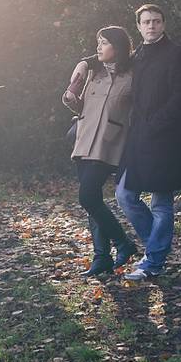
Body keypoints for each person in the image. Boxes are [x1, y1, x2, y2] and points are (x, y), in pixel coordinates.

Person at [116, 4, 181, 281]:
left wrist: (155, 124)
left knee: (161, 203)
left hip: (165, 139)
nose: (152, 26)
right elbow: (107, 57)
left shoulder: (177, 55)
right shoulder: (136, 56)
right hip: (136, 139)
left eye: (157, 21)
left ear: (163, 24)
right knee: (124, 195)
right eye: (146, 22)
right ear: (138, 26)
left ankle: (154, 260)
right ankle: (155, 248)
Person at [62, 26, 138, 276]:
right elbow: (84, 108)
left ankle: (123, 243)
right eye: (98, 42)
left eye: (104, 42)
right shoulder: (94, 73)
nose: (99, 47)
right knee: (92, 200)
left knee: (87, 197)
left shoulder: (133, 76)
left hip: (109, 145)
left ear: (117, 47)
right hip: (83, 143)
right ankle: (101, 258)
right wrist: (73, 100)